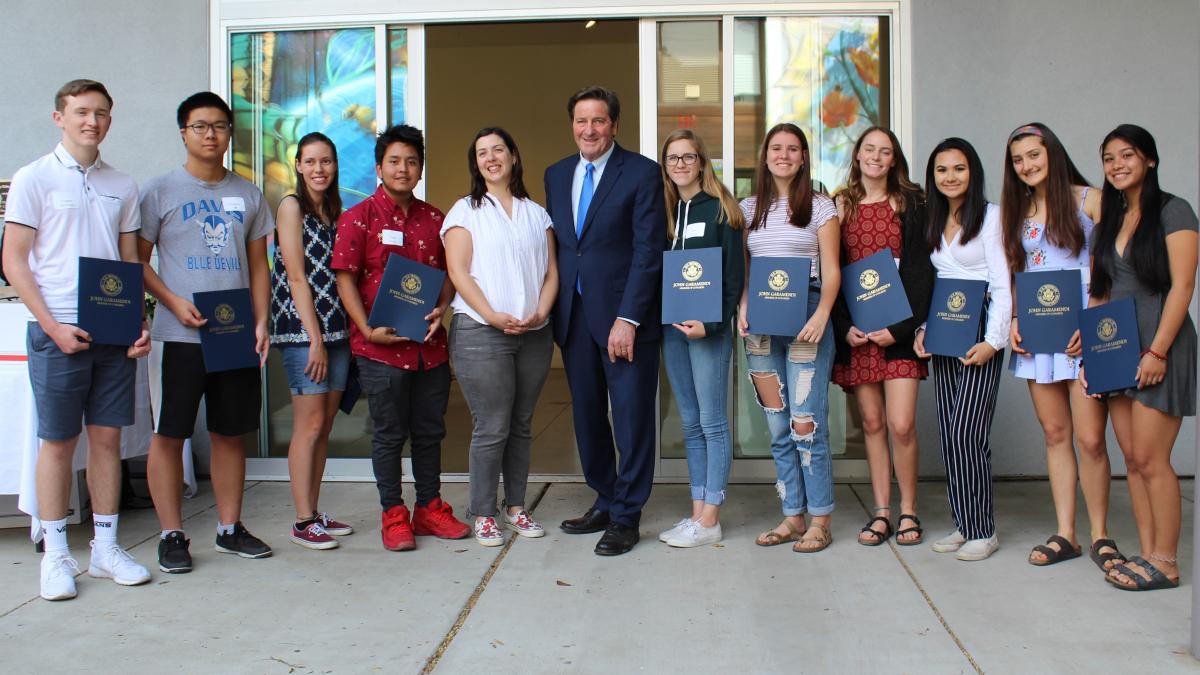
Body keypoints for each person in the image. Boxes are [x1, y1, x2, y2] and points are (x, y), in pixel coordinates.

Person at [3, 79, 152, 600]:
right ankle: (57, 554)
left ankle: (106, 549)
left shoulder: (123, 184)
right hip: (57, 327)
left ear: (111, 120)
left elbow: (131, 260)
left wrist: (140, 321)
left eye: (102, 113)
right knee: (58, 444)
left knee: (108, 440)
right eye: (82, 112)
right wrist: (51, 325)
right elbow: (13, 260)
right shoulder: (33, 178)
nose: (93, 121)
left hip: (112, 329)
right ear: (59, 117)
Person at [139, 91, 274, 573]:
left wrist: (262, 320)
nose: (210, 134)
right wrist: (172, 300)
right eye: (200, 126)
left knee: (230, 433)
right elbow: (136, 259)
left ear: (229, 133)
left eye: (219, 125)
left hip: (233, 331)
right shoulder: (159, 192)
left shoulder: (250, 194)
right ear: (184, 132)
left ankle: (229, 528)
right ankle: (171, 533)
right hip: (177, 335)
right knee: (169, 434)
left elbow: (259, 266)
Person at [332, 124, 470, 551]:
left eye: (412, 161)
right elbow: (345, 279)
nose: (403, 169)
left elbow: (451, 273)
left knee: (430, 431)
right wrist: (367, 328)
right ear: (379, 168)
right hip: (380, 350)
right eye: (394, 161)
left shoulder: (435, 220)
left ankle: (429, 508)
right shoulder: (358, 218)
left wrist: (441, 307)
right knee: (389, 434)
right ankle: (393, 513)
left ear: (421, 167)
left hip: (428, 348)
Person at [544, 85, 665, 556]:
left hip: (624, 322)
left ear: (614, 124)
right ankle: (606, 495)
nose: (589, 129)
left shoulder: (640, 173)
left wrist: (629, 318)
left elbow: (648, 251)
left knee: (632, 419)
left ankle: (628, 515)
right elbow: (562, 247)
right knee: (588, 416)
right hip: (573, 318)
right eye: (581, 120)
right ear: (572, 125)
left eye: (598, 120)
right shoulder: (556, 175)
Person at [1085, 125, 1197, 590]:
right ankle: (1148, 553)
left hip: (1159, 347)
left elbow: (1183, 288)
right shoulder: (1111, 217)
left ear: (1149, 159)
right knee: (1131, 458)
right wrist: (1091, 344)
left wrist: (1157, 351)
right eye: (1108, 158)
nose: (1116, 166)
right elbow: (1103, 289)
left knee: (1153, 459)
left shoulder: (1174, 211)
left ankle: (1166, 562)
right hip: (1117, 346)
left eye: (1126, 155)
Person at [1001, 123, 1114, 567]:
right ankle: (1066, 532)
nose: (1026, 165)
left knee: (1090, 439)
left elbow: (1112, 266)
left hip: (1081, 331)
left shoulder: (1091, 200)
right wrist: (1013, 316)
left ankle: (1101, 534)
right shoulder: (1019, 209)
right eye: (1017, 159)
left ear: (1053, 153)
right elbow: (1016, 271)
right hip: (1038, 332)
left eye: (1034, 155)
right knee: (1055, 434)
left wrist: (1095, 319)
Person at [441, 127, 558, 547]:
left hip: (534, 334)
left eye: (498, 150)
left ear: (513, 156)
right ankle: (484, 513)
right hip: (480, 333)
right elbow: (458, 271)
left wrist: (541, 312)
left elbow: (551, 273)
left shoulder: (536, 213)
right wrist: (491, 315)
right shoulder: (464, 212)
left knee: (522, 424)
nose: (491, 158)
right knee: (491, 426)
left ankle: (516, 507)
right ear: (476, 163)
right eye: (482, 153)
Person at [739, 123, 841, 554]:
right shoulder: (747, 209)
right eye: (776, 148)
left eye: (792, 149)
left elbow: (833, 269)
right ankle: (792, 515)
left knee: (806, 423)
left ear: (803, 158)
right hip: (761, 324)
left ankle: (820, 519)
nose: (783, 155)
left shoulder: (820, 207)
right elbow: (744, 269)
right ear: (765, 156)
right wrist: (742, 305)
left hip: (806, 318)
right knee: (778, 425)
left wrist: (821, 314)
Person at [830, 127, 932, 547]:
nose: (875, 156)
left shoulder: (912, 203)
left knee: (901, 424)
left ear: (894, 160)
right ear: (857, 156)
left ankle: (909, 511)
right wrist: (843, 327)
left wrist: (901, 329)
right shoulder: (839, 205)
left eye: (884, 151)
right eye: (869, 149)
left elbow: (924, 271)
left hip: (898, 333)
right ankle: (882, 512)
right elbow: (831, 270)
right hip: (859, 333)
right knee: (872, 423)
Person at [913, 138, 1010, 561]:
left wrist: (993, 341)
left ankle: (983, 530)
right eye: (941, 170)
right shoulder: (932, 219)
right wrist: (923, 328)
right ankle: (964, 522)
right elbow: (930, 283)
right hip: (945, 326)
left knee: (967, 430)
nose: (950, 177)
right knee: (950, 432)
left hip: (981, 324)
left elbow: (1005, 284)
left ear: (973, 173)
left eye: (959, 168)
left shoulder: (991, 218)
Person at [656, 129, 745, 548]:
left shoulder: (721, 209)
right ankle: (697, 514)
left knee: (712, 422)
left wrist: (711, 325)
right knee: (690, 423)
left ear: (702, 160)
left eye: (688, 156)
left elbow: (733, 279)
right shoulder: (667, 212)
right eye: (672, 158)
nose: (680, 165)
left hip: (707, 331)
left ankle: (712, 517)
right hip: (673, 329)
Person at [269, 132, 354, 550]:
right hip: (303, 332)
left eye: (326, 161)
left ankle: (314, 512)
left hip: (338, 331)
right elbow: (297, 275)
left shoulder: (336, 213)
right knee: (310, 424)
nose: (319, 169)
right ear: (298, 165)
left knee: (325, 426)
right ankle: (302, 521)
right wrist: (315, 339)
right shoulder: (291, 208)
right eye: (311, 162)